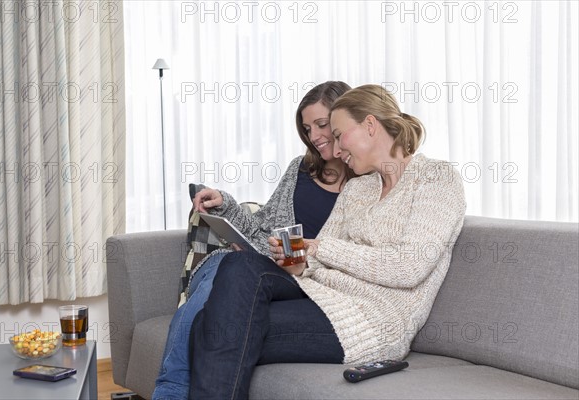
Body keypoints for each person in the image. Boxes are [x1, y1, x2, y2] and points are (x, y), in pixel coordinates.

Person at [187, 84, 467, 399]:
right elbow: (311, 263)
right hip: (323, 297)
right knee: (237, 266)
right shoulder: (359, 189)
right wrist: (292, 257)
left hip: (376, 321)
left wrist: (319, 248)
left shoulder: (437, 179)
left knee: (209, 329)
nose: (334, 151)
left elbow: (409, 266)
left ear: (370, 125)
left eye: (338, 134)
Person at [152, 81, 355, 400]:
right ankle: (172, 388)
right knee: (222, 266)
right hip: (274, 264)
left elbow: (349, 256)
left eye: (321, 124)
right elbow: (265, 228)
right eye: (306, 128)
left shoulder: (366, 183)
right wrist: (226, 205)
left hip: (306, 279)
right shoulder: (300, 170)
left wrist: (300, 253)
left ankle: (171, 390)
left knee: (228, 274)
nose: (314, 135)